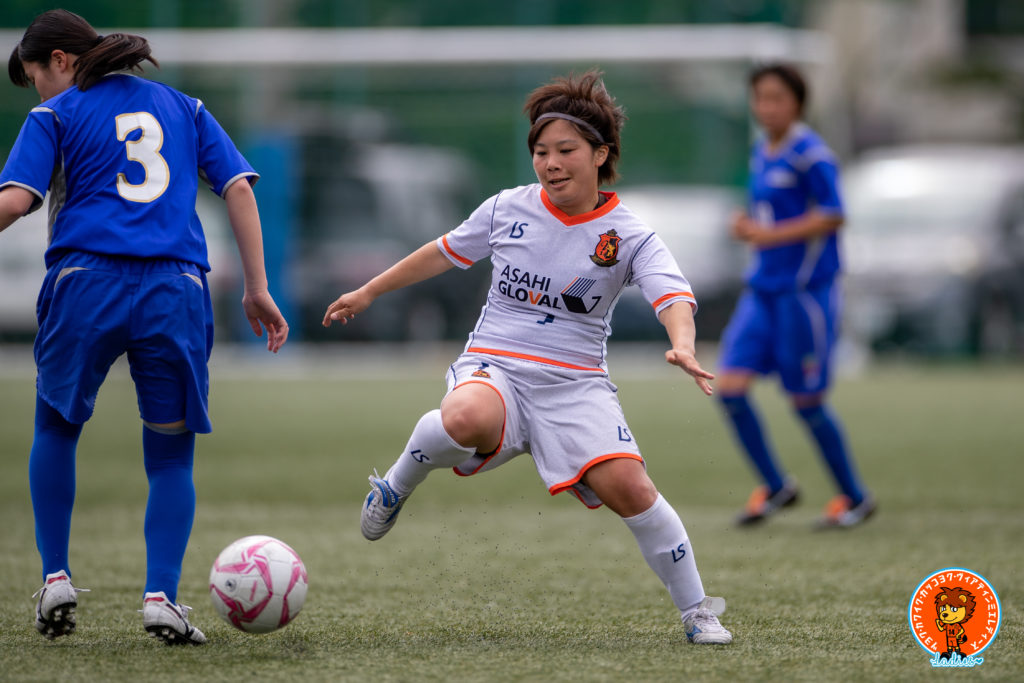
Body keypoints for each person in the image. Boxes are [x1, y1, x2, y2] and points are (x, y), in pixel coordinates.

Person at [324, 70, 732, 644]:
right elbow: (442, 253)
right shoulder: (506, 209)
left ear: (600, 153)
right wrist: (369, 291)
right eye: (541, 152)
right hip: (497, 366)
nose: (550, 163)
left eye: (565, 150)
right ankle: (394, 486)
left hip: (576, 387)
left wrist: (683, 344)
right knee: (465, 417)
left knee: (632, 489)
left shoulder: (629, 234)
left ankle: (698, 612)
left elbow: (673, 295)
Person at [0, 10, 288, 644]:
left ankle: (55, 579)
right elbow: (238, 187)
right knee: (169, 455)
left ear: (61, 61)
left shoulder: (55, 115)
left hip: (86, 284)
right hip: (174, 289)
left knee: (56, 425)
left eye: (35, 76)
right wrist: (258, 287)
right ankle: (160, 596)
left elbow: (16, 200)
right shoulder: (185, 107)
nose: (39, 92)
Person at [716, 62, 874, 528]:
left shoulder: (813, 154)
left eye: (776, 98)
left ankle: (855, 497)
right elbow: (767, 212)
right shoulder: (761, 150)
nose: (766, 107)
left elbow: (833, 214)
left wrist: (769, 234)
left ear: (797, 104)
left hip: (803, 294)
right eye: (760, 97)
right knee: (729, 389)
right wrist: (746, 226)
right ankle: (777, 485)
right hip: (761, 290)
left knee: (806, 402)